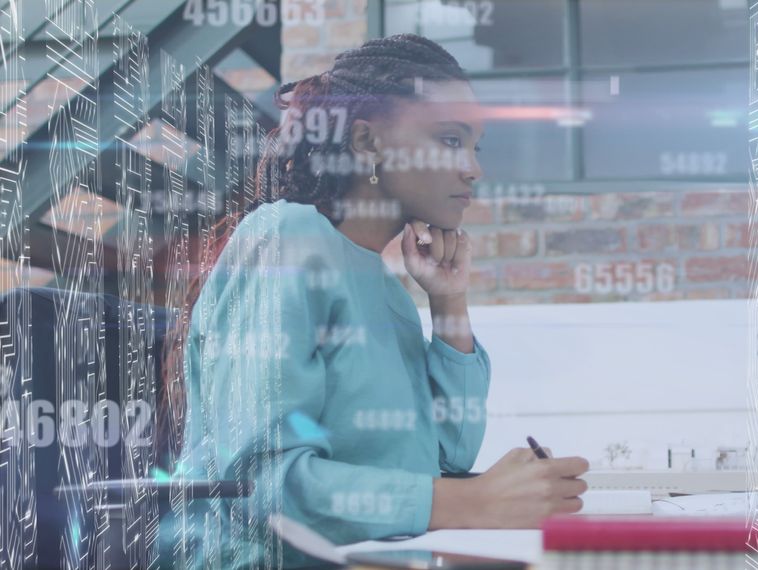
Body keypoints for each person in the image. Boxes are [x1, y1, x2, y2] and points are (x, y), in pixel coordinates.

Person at [161, 33, 588, 568]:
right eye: (450, 140)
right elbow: (256, 485)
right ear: (366, 143)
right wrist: (474, 501)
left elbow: (445, 458)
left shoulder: (388, 288)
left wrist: (449, 303)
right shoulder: (286, 240)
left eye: (476, 146)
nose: (473, 169)